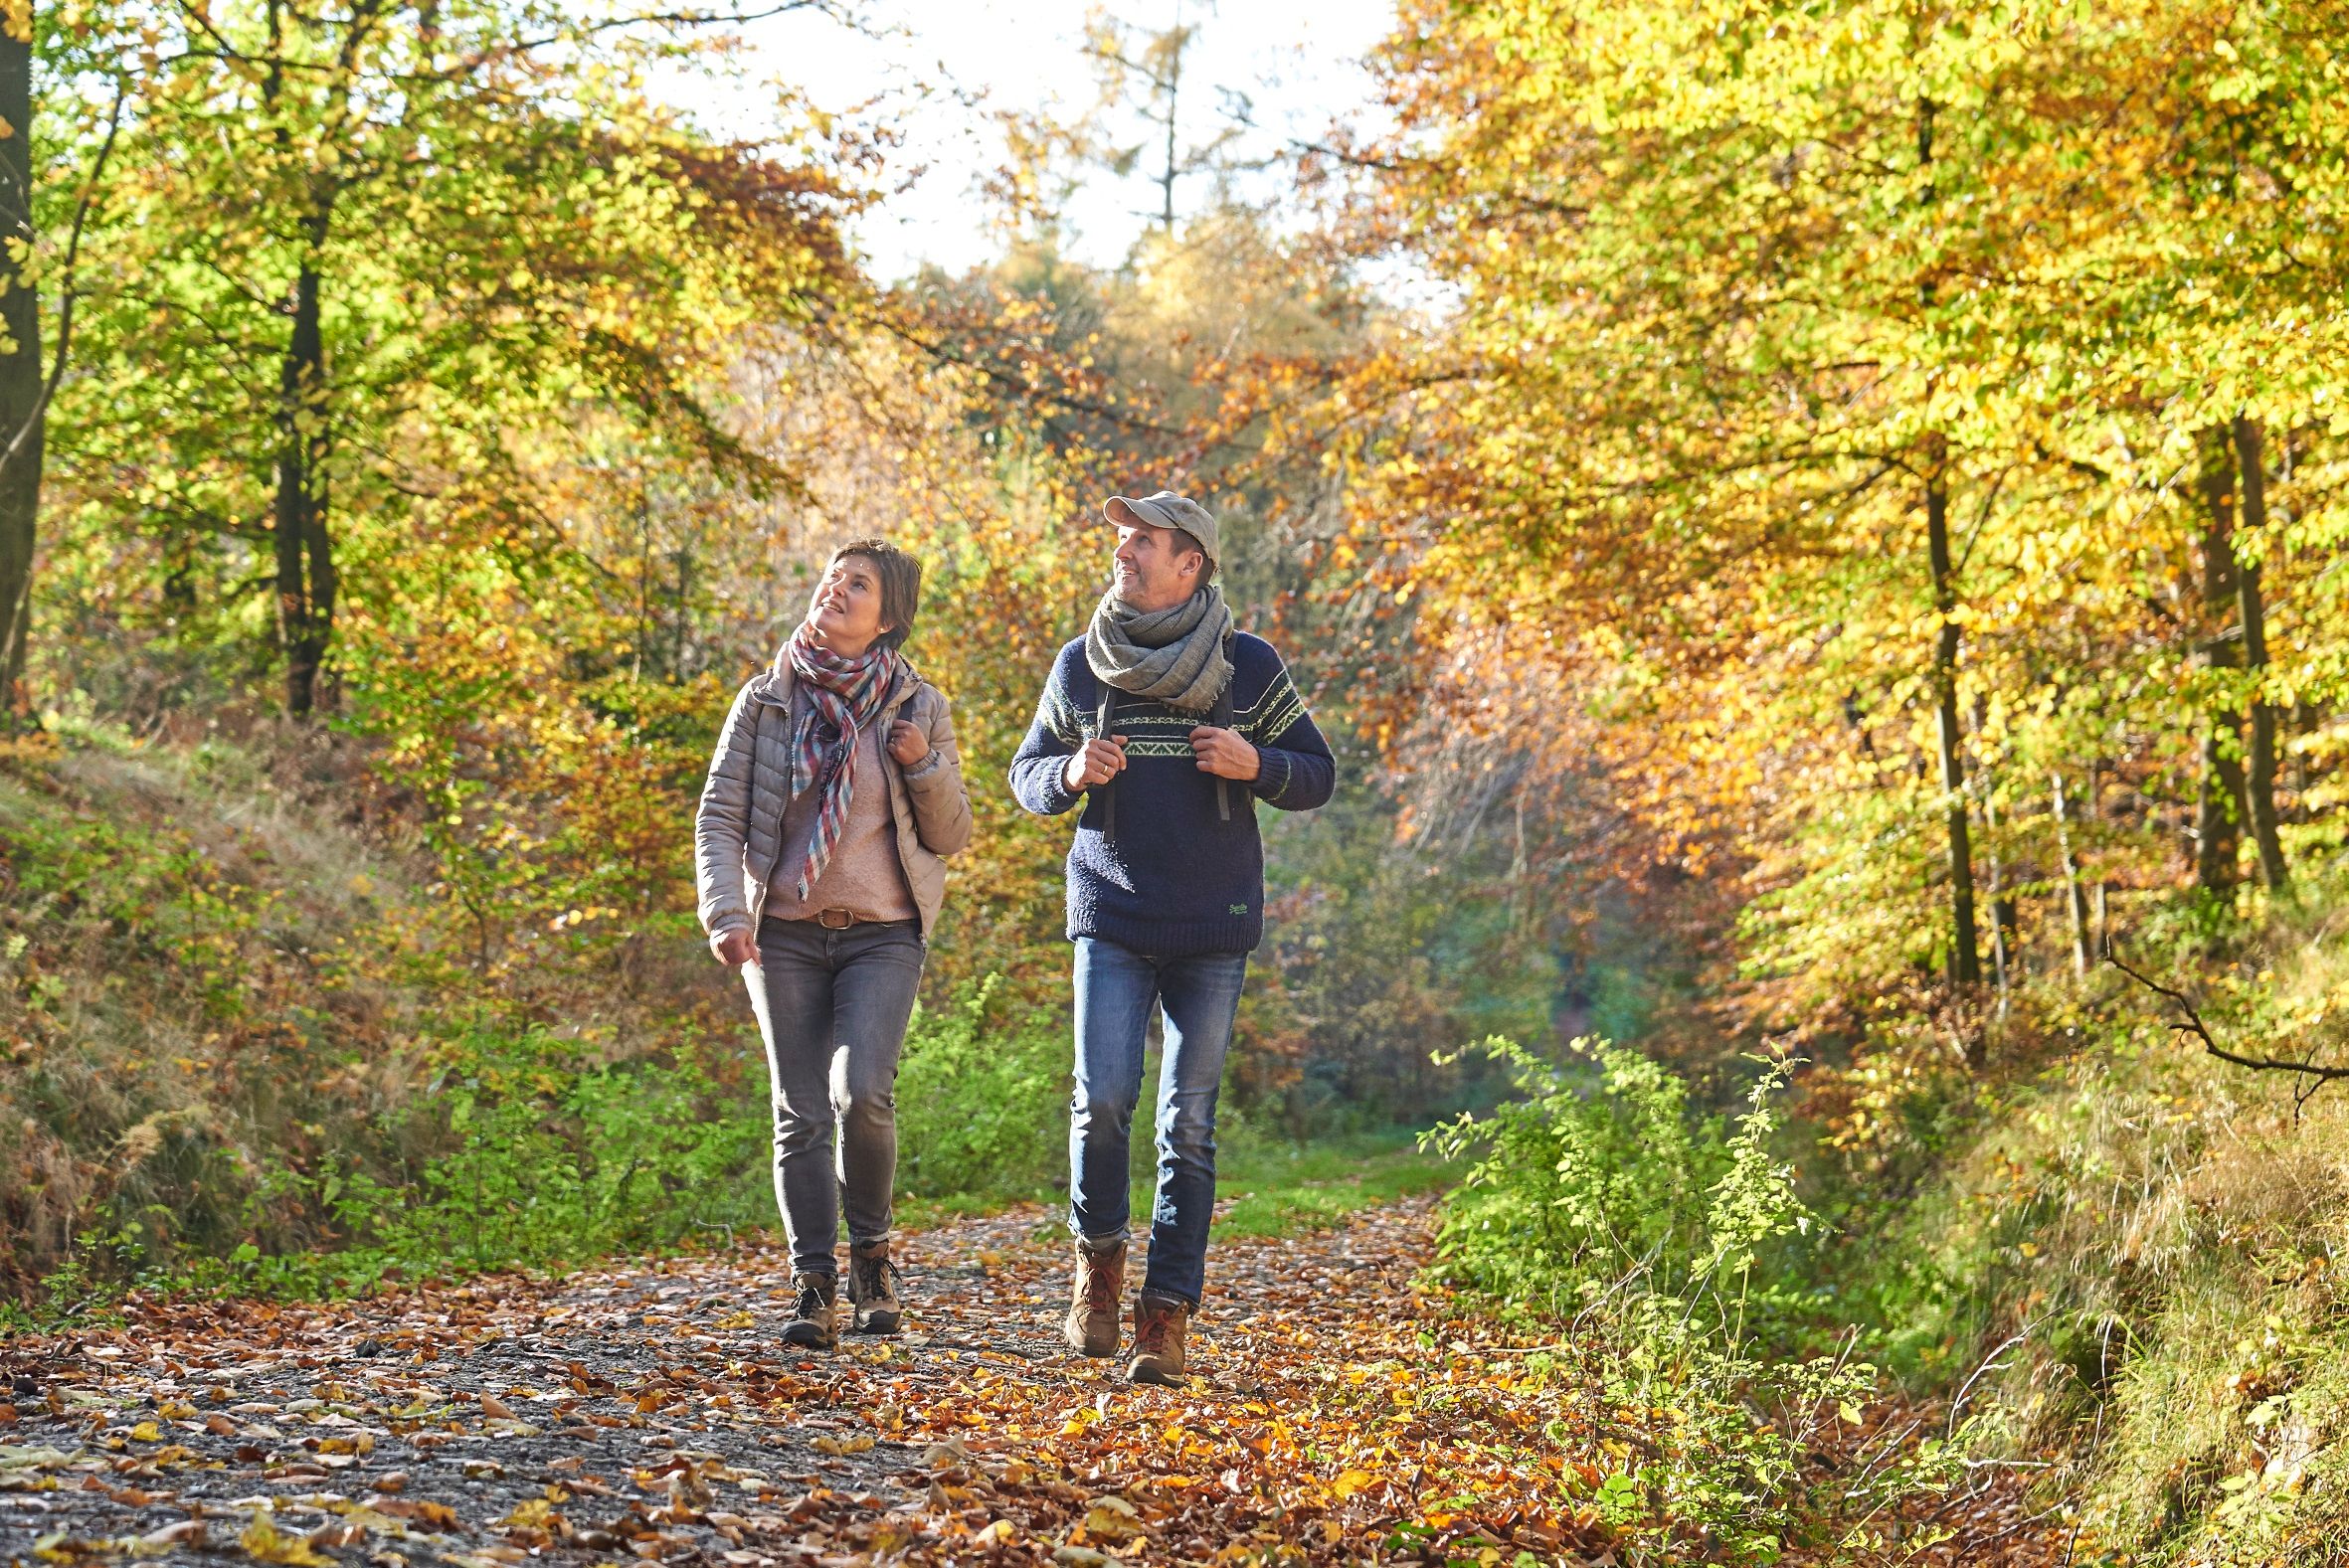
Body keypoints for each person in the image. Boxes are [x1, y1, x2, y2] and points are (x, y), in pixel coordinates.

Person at [1009, 490, 1336, 1384]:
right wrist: (1070, 770)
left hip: (1212, 921)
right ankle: (1098, 1269)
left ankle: (1167, 1314)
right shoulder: (1083, 665)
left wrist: (1256, 762)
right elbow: (1027, 773)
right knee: (1102, 1099)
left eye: (1142, 540)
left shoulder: (1247, 666)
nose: (1124, 551)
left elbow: (1317, 774)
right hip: (1110, 912)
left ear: (1189, 562)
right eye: (1122, 538)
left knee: (1186, 1122)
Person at [694, 539, 972, 1351]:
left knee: (864, 1096)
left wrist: (922, 767)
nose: (836, 591)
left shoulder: (920, 707)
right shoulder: (765, 701)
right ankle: (813, 1282)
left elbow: (952, 831)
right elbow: (718, 818)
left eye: (859, 584)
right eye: (831, 578)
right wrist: (725, 913)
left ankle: (873, 1261)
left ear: (888, 617)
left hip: (883, 935)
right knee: (801, 1112)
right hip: (780, 933)